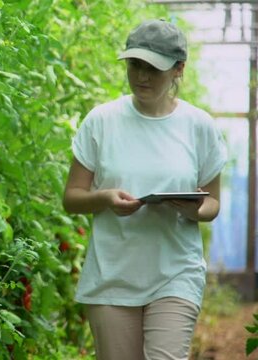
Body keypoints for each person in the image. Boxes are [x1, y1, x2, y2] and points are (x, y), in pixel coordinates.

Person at [62, 19, 227, 360]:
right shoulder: (101, 121)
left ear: (178, 70)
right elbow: (72, 198)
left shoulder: (199, 126)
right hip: (112, 277)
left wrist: (193, 208)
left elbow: (213, 203)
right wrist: (105, 198)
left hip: (175, 273)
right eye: (135, 65)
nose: (142, 76)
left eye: (154, 68)